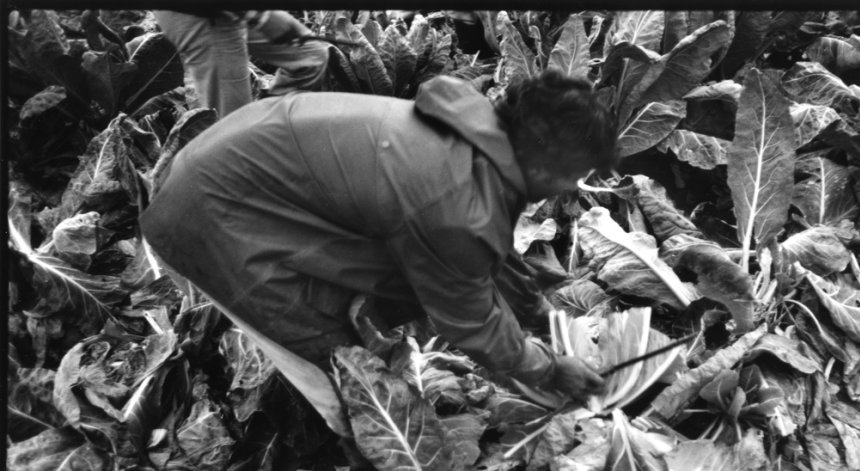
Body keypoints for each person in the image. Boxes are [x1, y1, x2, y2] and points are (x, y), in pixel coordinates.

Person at [140, 70, 613, 403]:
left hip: (237, 169)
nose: (572, 186)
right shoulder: (453, 203)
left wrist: (538, 314)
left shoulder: (481, 137)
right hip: (213, 216)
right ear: (538, 160)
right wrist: (548, 369)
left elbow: (489, 255)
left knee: (355, 319)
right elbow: (468, 316)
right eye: (571, 173)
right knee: (345, 379)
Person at [154, 10, 329, 117]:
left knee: (310, 55)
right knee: (231, 117)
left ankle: (265, 128)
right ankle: (241, 159)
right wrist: (262, 16)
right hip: (200, 14)